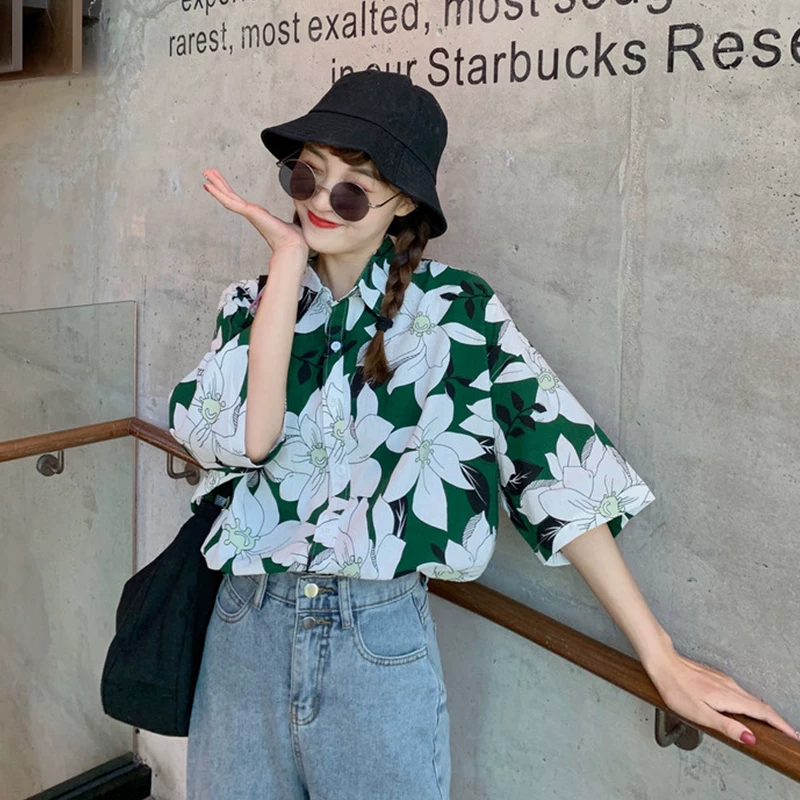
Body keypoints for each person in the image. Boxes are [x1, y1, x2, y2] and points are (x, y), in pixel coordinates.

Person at [168, 70, 798, 800]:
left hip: (376, 641)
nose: (319, 203)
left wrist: (658, 653)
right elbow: (242, 441)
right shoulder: (247, 306)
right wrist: (285, 268)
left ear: (403, 202)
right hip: (244, 626)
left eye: (353, 190)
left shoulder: (456, 310)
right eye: (306, 175)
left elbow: (552, 464)